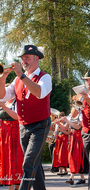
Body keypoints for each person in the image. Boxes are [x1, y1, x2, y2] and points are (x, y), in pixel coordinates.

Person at [0, 45, 52, 190]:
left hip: (40, 124)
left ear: (37, 59)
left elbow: (39, 92)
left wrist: (21, 76)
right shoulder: (17, 80)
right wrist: (3, 77)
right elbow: (3, 96)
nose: (24, 62)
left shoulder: (45, 77)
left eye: (27, 58)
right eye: (22, 59)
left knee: (28, 162)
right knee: (35, 164)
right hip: (24, 125)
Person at [0, 98, 23, 190]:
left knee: (17, 158)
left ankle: (17, 186)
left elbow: (17, 116)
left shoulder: (17, 102)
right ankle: (10, 185)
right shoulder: (4, 103)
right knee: (6, 158)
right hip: (4, 132)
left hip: (15, 130)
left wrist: (4, 107)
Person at [62, 112, 89, 185]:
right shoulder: (70, 116)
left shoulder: (80, 115)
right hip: (72, 137)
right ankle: (82, 178)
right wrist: (58, 123)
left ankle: (71, 178)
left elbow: (78, 127)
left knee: (77, 156)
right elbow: (65, 128)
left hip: (79, 137)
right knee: (73, 156)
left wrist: (67, 121)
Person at [52, 112, 70, 176]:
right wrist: (55, 133)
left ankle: (60, 171)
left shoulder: (66, 123)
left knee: (62, 154)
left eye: (60, 118)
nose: (59, 119)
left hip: (64, 139)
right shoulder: (58, 124)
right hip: (59, 139)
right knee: (57, 153)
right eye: (58, 118)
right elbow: (57, 132)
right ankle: (65, 170)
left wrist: (60, 129)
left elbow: (68, 133)